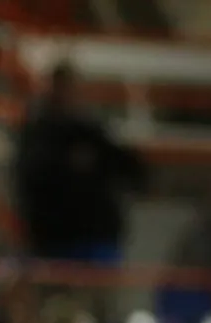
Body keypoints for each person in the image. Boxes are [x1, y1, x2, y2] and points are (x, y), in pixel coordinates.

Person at [12, 61, 144, 264]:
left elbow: (130, 169)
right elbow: (32, 177)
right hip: (53, 243)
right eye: (64, 88)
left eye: (73, 88)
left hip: (98, 240)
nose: (69, 95)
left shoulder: (94, 131)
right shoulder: (38, 133)